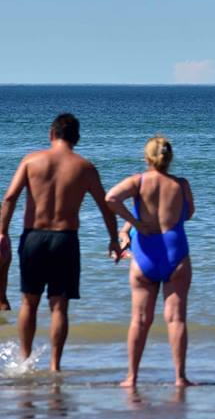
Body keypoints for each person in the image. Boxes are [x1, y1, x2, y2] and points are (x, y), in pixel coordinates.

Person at [0, 113, 120, 371]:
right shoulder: (84, 167)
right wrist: (113, 240)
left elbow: (9, 198)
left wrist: (2, 233)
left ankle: (24, 361)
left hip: (33, 236)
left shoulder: (31, 161)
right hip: (65, 240)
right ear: (76, 138)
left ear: (50, 134)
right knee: (59, 306)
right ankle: (55, 366)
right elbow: (105, 207)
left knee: (28, 302)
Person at [105, 136, 195, 387]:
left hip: (145, 251)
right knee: (176, 319)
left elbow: (111, 198)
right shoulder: (181, 184)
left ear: (146, 158)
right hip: (175, 250)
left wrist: (134, 223)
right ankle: (180, 377)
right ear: (170, 158)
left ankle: (131, 377)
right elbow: (188, 213)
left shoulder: (138, 181)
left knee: (140, 320)